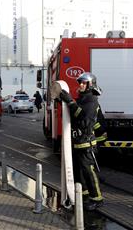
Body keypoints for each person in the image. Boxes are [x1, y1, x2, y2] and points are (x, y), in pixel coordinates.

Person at [58, 72, 104, 211]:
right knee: (78, 171)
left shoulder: (91, 101)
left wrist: (71, 103)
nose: (81, 85)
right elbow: (72, 115)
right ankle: (83, 194)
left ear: (91, 85)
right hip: (76, 141)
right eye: (80, 82)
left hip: (86, 142)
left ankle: (97, 198)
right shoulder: (82, 99)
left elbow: (84, 122)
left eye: (84, 83)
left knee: (88, 171)